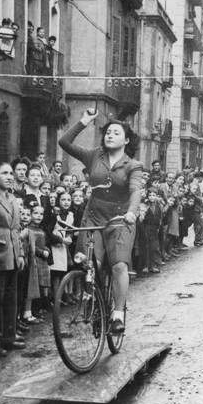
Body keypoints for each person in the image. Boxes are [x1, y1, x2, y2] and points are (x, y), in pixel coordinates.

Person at [58, 109, 143, 333]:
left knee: (118, 266)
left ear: (125, 140)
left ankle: (117, 314)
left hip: (120, 219)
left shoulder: (133, 165)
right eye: (107, 132)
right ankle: (93, 301)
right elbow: (64, 142)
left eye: (116, 133)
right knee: (87, 262)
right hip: (93, 216)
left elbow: (136, 191)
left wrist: (132, 212)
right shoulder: (94, 155)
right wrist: (83, 122)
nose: (110, 135)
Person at [0, 162, 26, 354]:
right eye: (5, 173)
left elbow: (17, 229)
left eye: (11, 173)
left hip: (12, 251)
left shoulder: (12, 198)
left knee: (11, 297)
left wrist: (20, 253)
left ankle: (9, 335)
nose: (10, 176)